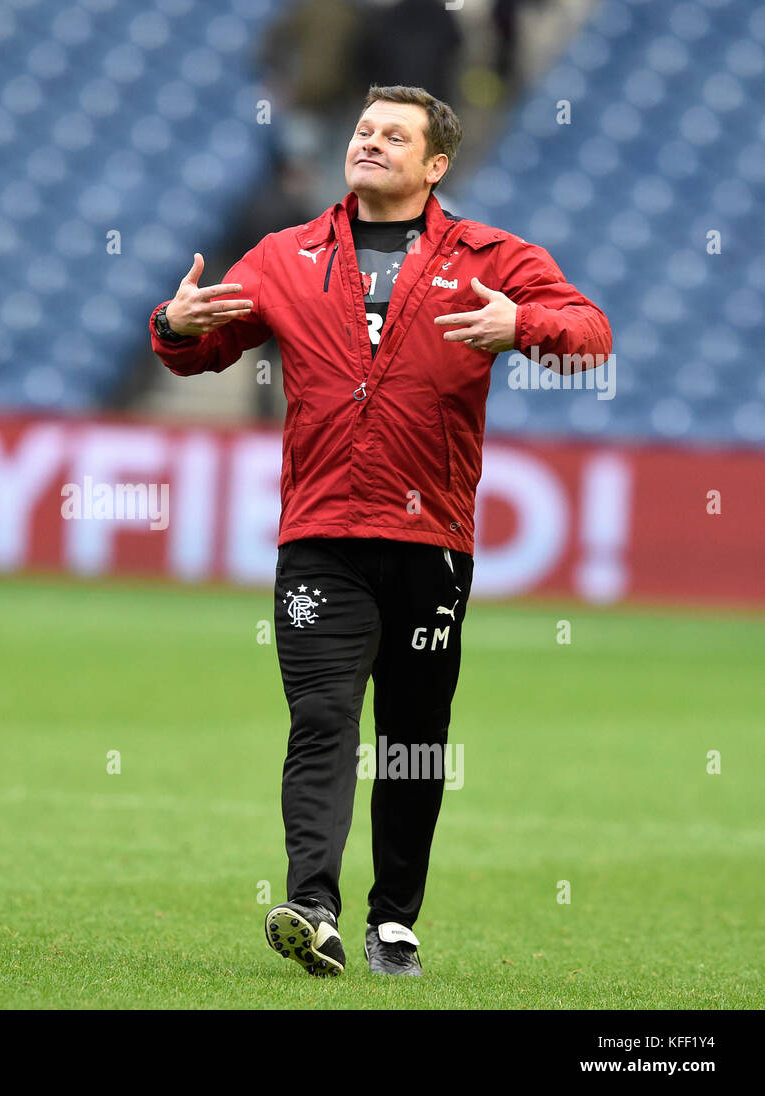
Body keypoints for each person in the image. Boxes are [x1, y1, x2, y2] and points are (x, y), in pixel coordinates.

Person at [149, 85, 611, 978]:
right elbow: (201, 345)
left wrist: (524, 325)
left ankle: (394, 917)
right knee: (322, 719)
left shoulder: (489, 255)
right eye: (364, 130)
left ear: (436, 165)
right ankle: (311, 906)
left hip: (432, 538)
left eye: (394, 135)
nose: (370, 143)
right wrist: (173, 323)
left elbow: (590, 338)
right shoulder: (288, 256)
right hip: (321, 532)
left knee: (412, 735)